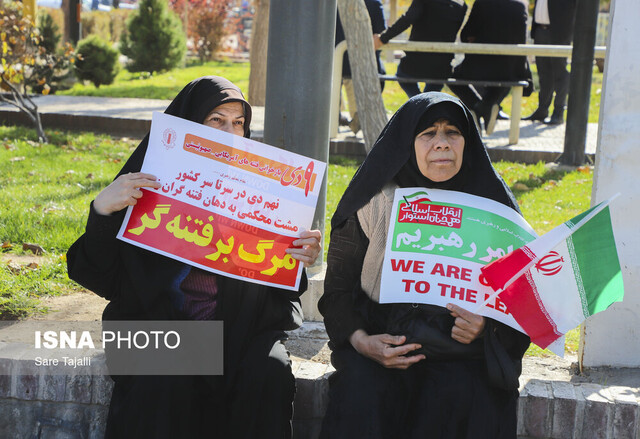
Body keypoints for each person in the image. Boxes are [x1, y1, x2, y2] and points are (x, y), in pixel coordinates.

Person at [66, 76, 322, 439]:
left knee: (268, 374)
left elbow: (279, 288)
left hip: (240, 331)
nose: (229, 133)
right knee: (165, 383)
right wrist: (102, 211)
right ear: (189, 122)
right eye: (216, 120)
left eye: (239, 123)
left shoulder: (263, 189)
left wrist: (299, 255)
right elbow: (99, 276)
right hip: (155, 327)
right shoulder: (148, 180)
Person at [318, 92, 530, 439]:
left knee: (466, 399)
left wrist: (485, 327)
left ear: (468, 142)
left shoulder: (495, 210)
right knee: (362, 397)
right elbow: (338, 292)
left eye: (453, 133)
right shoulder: (375, 200)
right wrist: (362, 342)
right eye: (428, 133)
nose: (442, 144)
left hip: (460, 353)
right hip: (380, 338)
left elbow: (520, 305)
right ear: (407, 143)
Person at [449, 0, 532, 135]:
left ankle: (477, 106)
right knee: (503, 79)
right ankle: (487, 105)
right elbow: (521, 38)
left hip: (479, 66)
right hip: (511, 69)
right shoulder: (521, 5)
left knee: (451, 76)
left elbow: (466, 34)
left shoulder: (482, 3)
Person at [373, 0, 467, 98]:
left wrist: (383, 38)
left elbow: (408, 19)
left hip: (415, 62)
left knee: (402, 75)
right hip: (442, 65)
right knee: (432, 91)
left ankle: (419, 103)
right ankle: (425, 105)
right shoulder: (462, 5)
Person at [336, 0, 387, 132]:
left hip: (337, 61)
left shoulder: (336, 4)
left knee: (336, 91)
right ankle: (356, 119)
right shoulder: (374, 3)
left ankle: (339, 118)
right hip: (363, 62)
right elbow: (380, 32)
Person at [524, 0, 577, 125]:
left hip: (559, 33)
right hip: (540, 31)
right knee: (543, 73)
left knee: (560, 73)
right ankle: (542, 110)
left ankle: (558, 112)